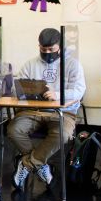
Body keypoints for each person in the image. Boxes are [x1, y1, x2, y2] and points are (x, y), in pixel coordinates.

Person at [9, 28, 86, 191]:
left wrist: (57, 94)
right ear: (39, 47)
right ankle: (40, 165)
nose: (47, 53)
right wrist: (24, 90)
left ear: (60, 46)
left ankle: (28, 164)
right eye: (44, 50)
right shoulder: (30, 64)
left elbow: (79, 90)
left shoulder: (72, 64)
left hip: (63, 113)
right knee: (14, 129)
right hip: (33, 111)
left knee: (63, 134)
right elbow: (16, 89)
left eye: (51, 49)